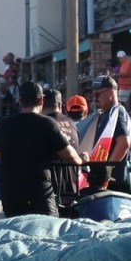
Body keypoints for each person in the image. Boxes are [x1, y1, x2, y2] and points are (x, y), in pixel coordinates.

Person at [0, 80, 84, 217]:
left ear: (20, 101)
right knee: (47, 227)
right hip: (39, 190)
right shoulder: (47, 124)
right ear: (41, 101)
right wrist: (81, 160)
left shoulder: (4, 124)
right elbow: (69, 155)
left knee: (15, 227)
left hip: (10, 192)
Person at [82, 75, 131, 194]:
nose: (95, 98)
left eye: (97, 94)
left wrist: (107, 171)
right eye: (93, 95)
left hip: (116, 182)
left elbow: (124, 143)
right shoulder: (110, 114)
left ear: (111, 92)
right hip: (113, 182)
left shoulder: (116, 113)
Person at [43, 86, 83, 214]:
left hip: (52, 189)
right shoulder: (71, 123)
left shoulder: (44, 123)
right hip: (72, 187)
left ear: (42, 104)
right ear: (60, 105)